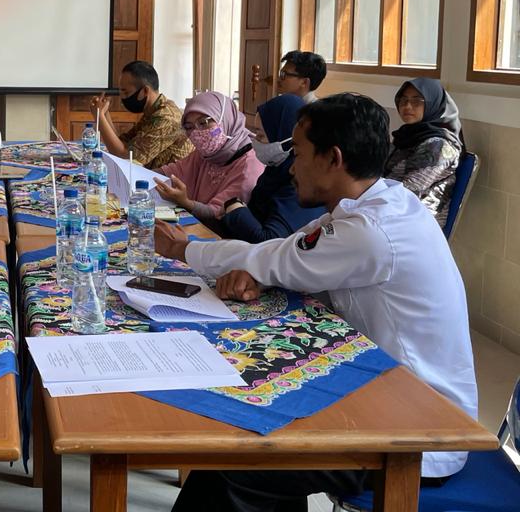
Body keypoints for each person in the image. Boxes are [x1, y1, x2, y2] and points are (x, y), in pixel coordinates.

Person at [154, 93, 477, 511]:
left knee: (235, 464)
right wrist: (261, 274)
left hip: (413, 425)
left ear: (333, 158)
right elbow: (288, 253)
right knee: (247, 432)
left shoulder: (371, 230)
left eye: (300, 154)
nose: (291, 167)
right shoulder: (378, 202)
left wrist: (183, 249)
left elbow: (276, 257)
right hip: (377, 391)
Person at [219, 93, 326, 242]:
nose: (255, 140)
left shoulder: (302, 182)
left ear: (284, 136)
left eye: (261, 135)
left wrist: (235, 210)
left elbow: (270, 241)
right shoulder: (275, 170)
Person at [152, 91, 264, 222]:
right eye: (189, 127)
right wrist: (138, 173)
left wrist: (185, 202)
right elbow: (171, 172)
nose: (197, 133)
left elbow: (218, 214)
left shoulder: (250, 165)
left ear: (225, 119)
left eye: (203, 122)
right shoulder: (207, 153)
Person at [385, 77, 463, 227]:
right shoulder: (407, 135)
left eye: (416, 101)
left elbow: (409, 191)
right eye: (403, 100)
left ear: (433, 104)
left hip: (416, 222)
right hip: (392, 211)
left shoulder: (437, 145)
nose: (407, 106)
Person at [89, 60, 192, 167]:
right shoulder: (154, 110)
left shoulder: (166, 118)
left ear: (145, 91)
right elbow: (123, 142)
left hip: (164, 177)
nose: (122, 98)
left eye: (126, 92)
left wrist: (99, 116)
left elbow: (126, 158)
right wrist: (105, 113)